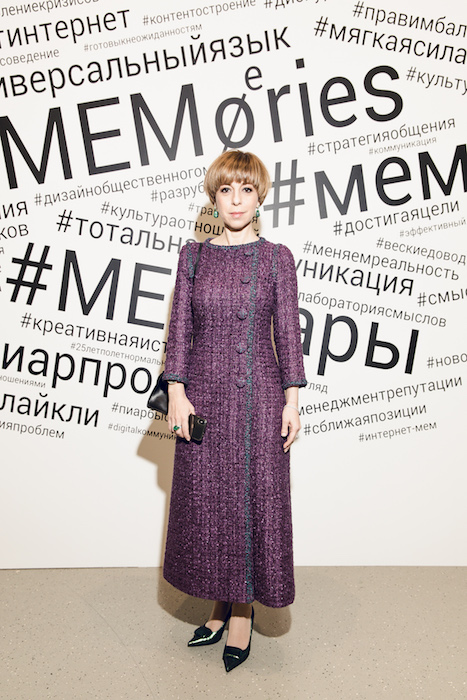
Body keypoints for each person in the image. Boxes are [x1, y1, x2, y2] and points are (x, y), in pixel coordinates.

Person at [161, 150, 306, 672]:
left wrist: (292, 402)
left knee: (250, 503)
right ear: (214, 197)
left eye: (246, 190)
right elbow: (180, 329)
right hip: (201, 398)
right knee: (210, 506)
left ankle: (241, 612)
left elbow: (287, 333)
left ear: (260, 197)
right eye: (226, 190)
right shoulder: (192, 257)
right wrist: (177, 392)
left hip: (257, 397)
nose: (236, 200)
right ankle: (220, 604)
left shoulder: (276, 258)